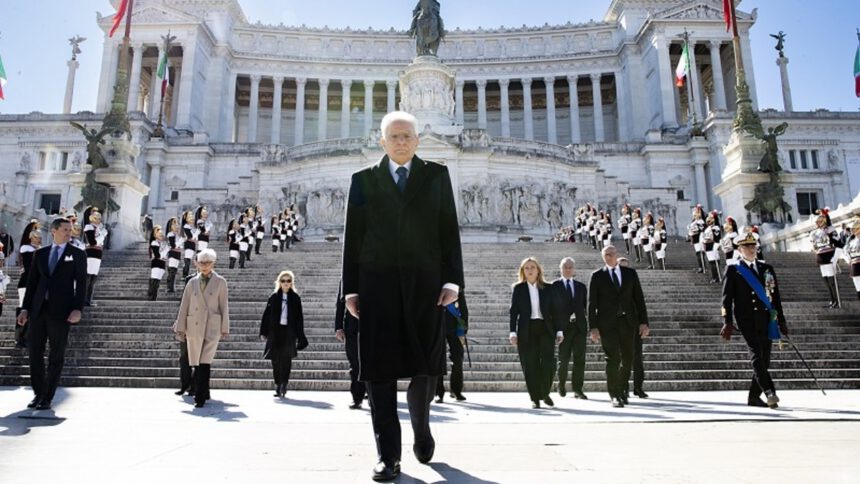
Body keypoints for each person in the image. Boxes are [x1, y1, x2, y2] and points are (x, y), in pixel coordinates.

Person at [341, 110, 464, 481]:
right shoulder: (362, 180)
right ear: (382, 141)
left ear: (417, 140)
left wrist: (453, 281)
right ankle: (388, 455)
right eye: (393, 136)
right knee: (377, 371)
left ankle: (422, 427)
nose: (400, 142)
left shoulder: (436, 175)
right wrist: (350, 288)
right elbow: (352, 239)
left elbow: (449, 230)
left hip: (425, 286)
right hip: (376, 287)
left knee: (426, 366)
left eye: (407, 136)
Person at [16, 217, 87, 410]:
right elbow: (32, 284)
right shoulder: (41, 254)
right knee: (34, 352)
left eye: (70, 230)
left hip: (61, 311)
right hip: (38, 310)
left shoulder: (78, 254)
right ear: (54, 231)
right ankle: (38, 392)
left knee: (56, 354)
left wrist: (77, 309)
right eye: (65, 229)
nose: (69, 232)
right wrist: (25, 308)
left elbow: (81, 284)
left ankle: (48, 396)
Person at [720, 232, 788, 409]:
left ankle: (753, 396)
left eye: (753, 246)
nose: (752, 250)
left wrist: (781, 320)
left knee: (765, 359)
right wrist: (727, 321)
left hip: (766, 319)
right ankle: (769, 391)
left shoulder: (767, 269)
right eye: (747, 247)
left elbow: (775, 297)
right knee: (756, 355)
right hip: (746, 319)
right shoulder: (734, 270)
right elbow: (726, 299)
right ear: (740, 250)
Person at [588, 245, 649, 408]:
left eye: (611, 254)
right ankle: (614, 394)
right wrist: (593, 327)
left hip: (628, 322)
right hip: (607, 324)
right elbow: (591, 303)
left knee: (628, 358)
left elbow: (639, 299)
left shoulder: (630, 274)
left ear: (617, 255)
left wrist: (644, 322)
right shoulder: (597, 276)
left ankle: (622, 388)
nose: (608, 257)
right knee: (612, 359)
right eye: (605, 255)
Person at [173, 248, 230, 408]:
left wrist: (224, 327)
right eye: (202, 263)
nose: (205, 266)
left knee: (205, 361)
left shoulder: (220, 282)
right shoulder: (192, 282)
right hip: (194, 325)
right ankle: (202, 391)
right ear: (197, 263)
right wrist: (180, 327)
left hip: (212, 325)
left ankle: (200, 396)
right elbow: (184, 305)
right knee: (196, 361)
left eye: (208, 263)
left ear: (213, 263)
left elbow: (224, 306)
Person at [510, 257, 563, 408]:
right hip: (527, 330)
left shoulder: (549, 287)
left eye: (533, 267)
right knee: (530, 365)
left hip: (546, 329)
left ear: (538, 270)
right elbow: (514, 312)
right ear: (523, 271)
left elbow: (556, 311)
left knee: (548, 363)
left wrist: (559, 330)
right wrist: (512, 332)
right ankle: (535, 398)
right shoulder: (518, 289)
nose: (530, 270)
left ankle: (545, 392)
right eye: (526, 268)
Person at [260, 270, 308, 398]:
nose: (285, 283)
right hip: (275, 331)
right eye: (283, 281)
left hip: (289, 331)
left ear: (291, 283)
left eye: (288, 281)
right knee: (275, 359)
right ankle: (277, 384)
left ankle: (284, 384)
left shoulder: (295, 298)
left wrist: (300, 335)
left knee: (286, 359)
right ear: (279, 282)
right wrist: (263, 331)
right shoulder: (274, 296)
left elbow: (299, 318)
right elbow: (266, 315)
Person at [551, 257, 588, 400]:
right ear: (561, 269)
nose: (568, 269)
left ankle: (578, 389)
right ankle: (561, 384)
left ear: (574, 269)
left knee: (580, 360)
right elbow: (552, 309)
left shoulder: (581, 287)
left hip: (579, 327)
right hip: (563, 328)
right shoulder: (554, 285)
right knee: (563, 359)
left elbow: (585, 307)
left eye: (570, 267)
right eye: (565, 267)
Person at [335, 281, 366, 409]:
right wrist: (338, 327)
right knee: (354, 362)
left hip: (373, 324)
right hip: (352, 325)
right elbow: (340, 302)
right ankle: (357, 398)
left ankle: (371, 393)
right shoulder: (348, 277)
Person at [435, 288, 468, 403]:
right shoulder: (435, 285)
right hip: (438, 327)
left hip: (455, 328)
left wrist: (465, 327)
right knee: (438, 360)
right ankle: (439, 393)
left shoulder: (455, 287)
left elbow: (463, 307)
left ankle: (456, 390)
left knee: (458, 359)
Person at [809, 208, 843, 308]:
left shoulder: (830, 229)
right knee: (826, 280)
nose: (818, 223)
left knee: (832, 281)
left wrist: (835, 258)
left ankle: (836, 300)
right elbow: (813, 245)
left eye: (821, 220)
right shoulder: (814, 232)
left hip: (829, 256)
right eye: (817, 221)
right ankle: (832, 299)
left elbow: (839, 244)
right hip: (821, 257)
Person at [16, 221, 41, 348]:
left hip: (35, 284)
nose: (39, 239)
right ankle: (19, 336)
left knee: (31, 310)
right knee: (23, 308)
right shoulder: (27, 248)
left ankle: (27, 336)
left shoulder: (38, 250)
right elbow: (30, 265)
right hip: (25, 282)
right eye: (37, 237)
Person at [83, 207, 108, 306]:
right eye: (97, 218)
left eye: (99, 218)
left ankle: (89, 300)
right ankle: (83, 299)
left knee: (93, 278)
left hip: (98, 254)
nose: (99, 220)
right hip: (91, 254)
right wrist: (102, 235)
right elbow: (92, 242)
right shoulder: (89, 227)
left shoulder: (99, 229)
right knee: (88, 277)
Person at [147, 225, 168, 301]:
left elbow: (164, 256)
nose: (160, 233)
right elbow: (157, 255)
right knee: (154, 280)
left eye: (160, 231)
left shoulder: (161, 243)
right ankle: (151, 297)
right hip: (156, 264)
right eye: (157, 231)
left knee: (157, 282)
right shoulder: (154, 242)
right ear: (154, 234)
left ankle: (153, 297)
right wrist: (165, 250)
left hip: (162, 264)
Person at [702, 211, 723, 283]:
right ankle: (714, 276)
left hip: (713, 246)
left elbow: (716, 238)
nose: (708, 220)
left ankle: (718, 277)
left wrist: (714, 244)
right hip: (708, 247)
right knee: (711, 263)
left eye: (710, 218)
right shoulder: (707, 228)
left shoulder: (716, 228)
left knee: (715, 262)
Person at [165, 217, 183, 292]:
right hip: (172, 254)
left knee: (174, 271)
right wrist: (181, 242)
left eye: (177, 223)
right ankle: (169, 287)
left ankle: (172, 287)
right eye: (174, 223)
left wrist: (179, 246)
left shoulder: (177, 235)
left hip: (177, 254)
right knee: (171, 271)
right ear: (170, 226)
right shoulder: (170, 234)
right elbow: (173, 246)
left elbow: (180, 247)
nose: (176, 225)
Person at [688, 204, 706, 273]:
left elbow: (702, 230)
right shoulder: (693, 222)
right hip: (695, 238)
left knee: (700, 253)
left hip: (700, 238)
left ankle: (702, 267)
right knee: (698, 253)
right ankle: (700, 266)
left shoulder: (701, 221)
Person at [846, 219, 860, 301]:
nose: (853, 231)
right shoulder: (851, 241)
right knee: (858, 288)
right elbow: (847, 252)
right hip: (855, 265)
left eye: (855, 229)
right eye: (853, 229)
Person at [180, 210, 196, 278]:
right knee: (187, 260)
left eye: (191, 215)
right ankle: (184, 275)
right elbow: (190, 236)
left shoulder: (189, 226)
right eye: (189, 216)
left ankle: (185, 274)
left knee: (188, 260)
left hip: (191, 245)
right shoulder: (186, 226)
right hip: (189, 245)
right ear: (185, 218)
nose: (191, 217)